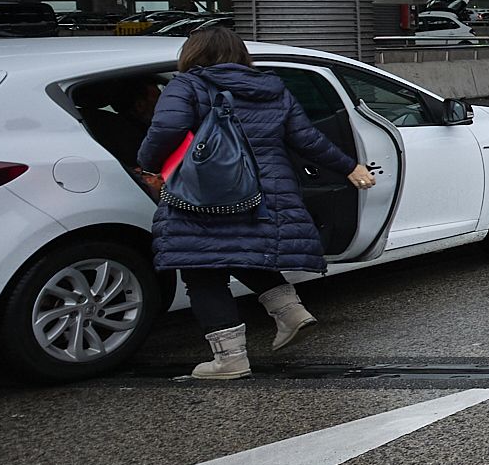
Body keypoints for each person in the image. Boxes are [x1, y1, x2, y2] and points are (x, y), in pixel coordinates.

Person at [135, 26, 378, 381]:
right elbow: (307, 139)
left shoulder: (187, 84)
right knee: (244, 251)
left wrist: (150, 165)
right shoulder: (272, 88)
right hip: (264, 192)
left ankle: (229, 360)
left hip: (205, 193)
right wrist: (349, 166)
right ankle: (290, 312)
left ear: (192, 54)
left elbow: (166, 129)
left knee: (204, 271)